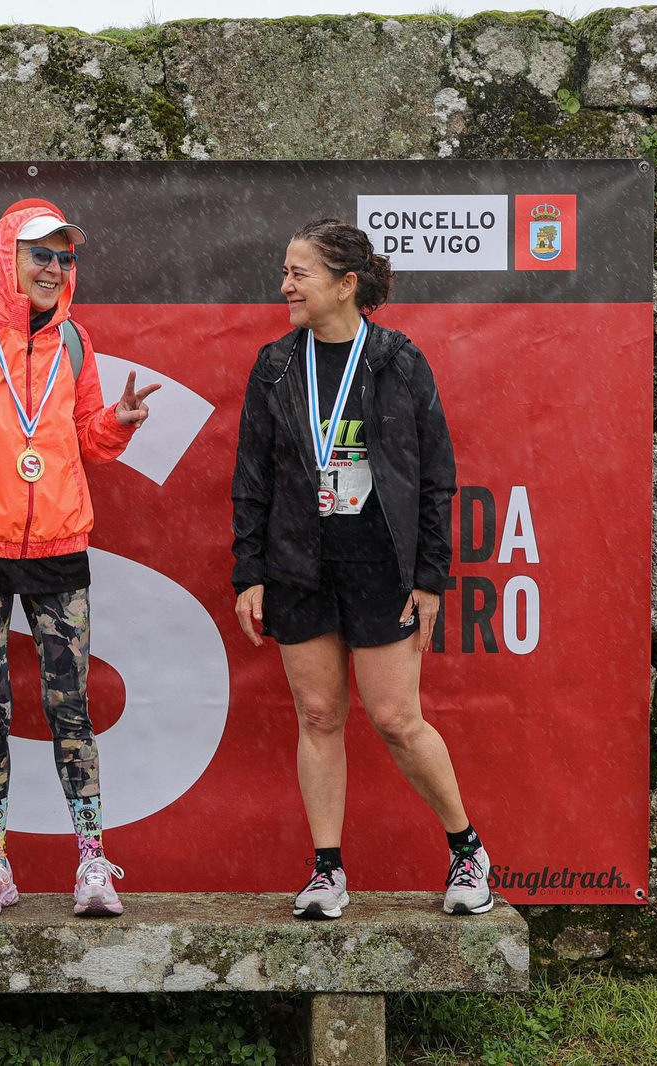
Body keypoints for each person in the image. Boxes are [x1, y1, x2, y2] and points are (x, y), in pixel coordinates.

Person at [231, 218, 492, 920]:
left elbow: (435, 477)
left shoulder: (397, 361)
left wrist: (430, 575)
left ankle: (466, 849)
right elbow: (252, 478)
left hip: (381, 566)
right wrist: (249, 572)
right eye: (285, 272)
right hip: (298, 567)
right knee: (319, 715)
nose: (285, 287)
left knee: (397, 718)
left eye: (299, 274)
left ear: (346, 284)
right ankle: (326, 872)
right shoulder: (274, 365)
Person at [0, 207, 159, 918]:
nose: (53, 268)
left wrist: (117, 423)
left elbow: (88, 442)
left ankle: (92, 861)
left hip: (58, 546)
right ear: (4, 259)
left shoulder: (75, 341)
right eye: (40, 255)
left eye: (64, 259)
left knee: (71, 706)